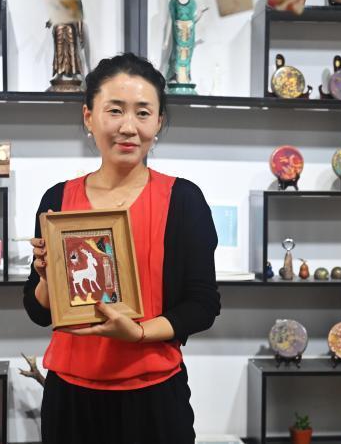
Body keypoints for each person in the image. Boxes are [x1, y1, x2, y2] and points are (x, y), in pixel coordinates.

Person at [23, 52, 220, 444]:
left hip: (154, 399)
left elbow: (202, 305)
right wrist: (46, 280)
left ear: (158, 122)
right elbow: (38, 311)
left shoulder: (183, 200)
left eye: (143, 113)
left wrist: (139, 333)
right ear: (88, 117)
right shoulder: (58, 200)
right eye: (115, 110)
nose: (128, 127)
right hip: (70, 400)